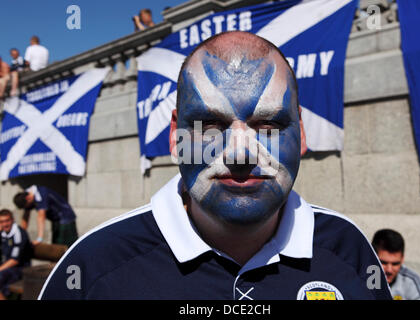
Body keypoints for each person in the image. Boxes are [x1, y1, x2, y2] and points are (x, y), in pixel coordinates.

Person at [39, 31, 392, 300]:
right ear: (175, 134)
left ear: (300, 133)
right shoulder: (94, 266)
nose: (240, 154)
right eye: (209, 126)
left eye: (267, 127)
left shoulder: (350, 250)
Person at [13, 185, 78, 248]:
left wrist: (39, 239)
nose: (29, 207)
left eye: (27, 205)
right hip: (56, 220)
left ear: (28, 198)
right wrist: (20, 235)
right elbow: (25, 217)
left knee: (68, 245)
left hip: (66, 217)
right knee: (56, 244)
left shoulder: (41, 194)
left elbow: (41, 217)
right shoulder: (27, 194)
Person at [372, 229, 420, 300]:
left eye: (395, 264)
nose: (389, 270)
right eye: (383, 263)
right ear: (372, 257)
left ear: (402, 259)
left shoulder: (411, 281)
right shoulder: (359, 278)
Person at [0, 209, 33, 300]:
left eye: (7, 220)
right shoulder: (3, 233)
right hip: (7, 266)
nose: (5, 224)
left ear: (12, 220)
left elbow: (14, 260)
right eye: (2, 222)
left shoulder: (18, 233)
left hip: (21, 269)